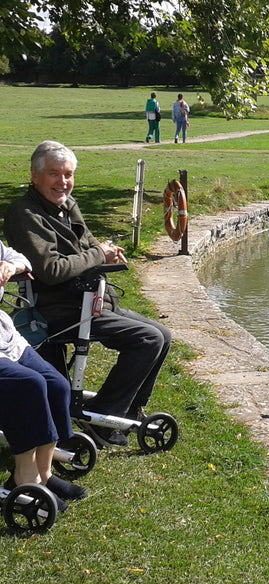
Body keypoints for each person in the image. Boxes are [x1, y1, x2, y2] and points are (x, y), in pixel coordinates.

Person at [3, 141, 172, 447]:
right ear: (35, 175)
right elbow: (51, 270)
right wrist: (98, 255)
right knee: (148, 339)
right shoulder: (24, 213)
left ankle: (127, 406)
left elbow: (89, 246)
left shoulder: (66, 204)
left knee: (162, 334)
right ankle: (103, 416)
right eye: (54, 174)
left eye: (68, 174)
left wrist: (104, 253)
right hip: (55, 309)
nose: (63, 182)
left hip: (88, 302)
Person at [0, 240, 85, 511]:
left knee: (56, 383)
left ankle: (44, 473)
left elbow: (22, 257)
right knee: (29, 385)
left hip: (4, 337)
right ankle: (25, 479)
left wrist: (11, 265)